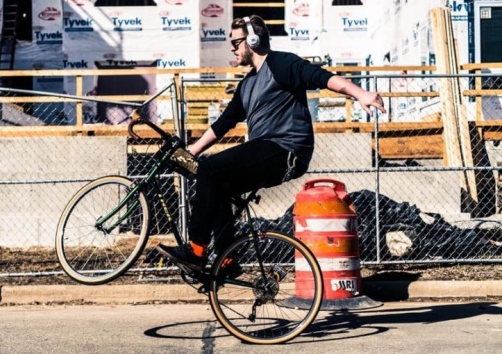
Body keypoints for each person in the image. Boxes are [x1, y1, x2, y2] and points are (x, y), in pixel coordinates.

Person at [156, 15, 385, 273]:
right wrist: (190, 152)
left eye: (236, 42)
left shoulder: (281, 64)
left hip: (286, 149)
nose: (232, 48)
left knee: (210, 169)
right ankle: (227, 259)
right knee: (215, 183)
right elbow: (223, 124)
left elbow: (323, 78)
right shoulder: (247, 84)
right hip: (267, 149)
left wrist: (361, 93)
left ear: (252, 40)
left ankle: (196, 251)